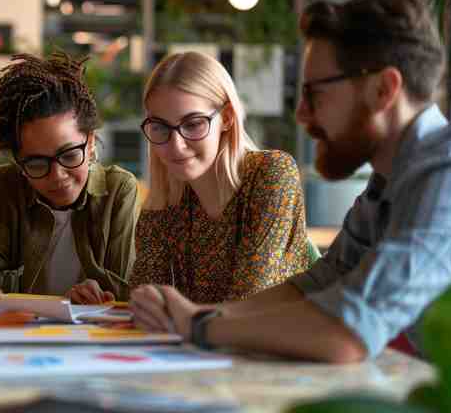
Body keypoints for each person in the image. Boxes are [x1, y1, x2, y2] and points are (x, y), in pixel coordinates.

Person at [130, 0, 451, 363]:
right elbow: (315, 286)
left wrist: (200, 326)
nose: (301, 114)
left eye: (314, 94)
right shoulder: (387, 184)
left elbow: (347, 333)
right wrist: (201, 316)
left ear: (383, 90)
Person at [129, 51, 314, 303]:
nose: (176, 145)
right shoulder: (163, 204)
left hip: (280, 340)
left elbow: (247, 305)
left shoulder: (272, 174)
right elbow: (143, 303)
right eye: (160, 127)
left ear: (226, 118)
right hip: (201, 340)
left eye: (193, 124)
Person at [0, 52, 140, 303]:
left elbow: (125, 292)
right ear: (19, 160)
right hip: (18, 334)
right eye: (37, 163)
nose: (57, 176)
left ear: (90, 142)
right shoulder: (3, 186)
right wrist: (62, 299)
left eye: (69, 155)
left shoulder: (118, 190)